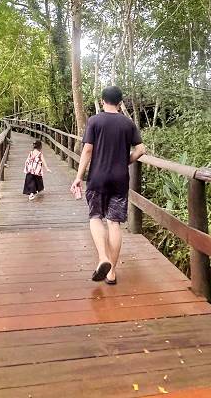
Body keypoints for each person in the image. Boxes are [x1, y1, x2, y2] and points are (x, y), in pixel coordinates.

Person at [70, 86, 146, 285]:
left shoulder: (95, 121)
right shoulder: (128, 123)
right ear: (120, 103)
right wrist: (126, 161)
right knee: (114, 223)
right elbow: (141, 149)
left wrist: (79, 176)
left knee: (95, 217)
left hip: (97, 178)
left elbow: (87, 151)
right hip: (120, 180)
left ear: (103, 101)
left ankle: (102, 257)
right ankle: (112, 272)